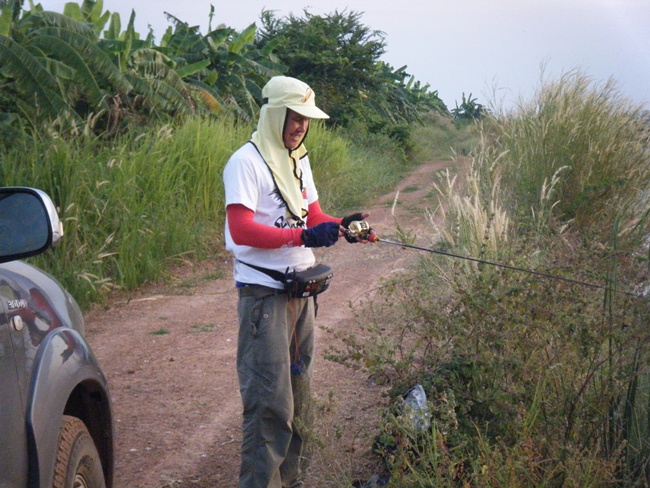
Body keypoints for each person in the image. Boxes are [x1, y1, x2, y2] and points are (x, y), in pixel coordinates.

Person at [223, 75, 371, 488]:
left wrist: (342, 225)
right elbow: (241, 231)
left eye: (306, 118)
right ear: (274, 114)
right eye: (294, 116)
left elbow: (314, 216)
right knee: (270, 406)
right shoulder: (246, 163)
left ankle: (294, 482)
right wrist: (301, 236)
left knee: (301, 402)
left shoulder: (298, 160)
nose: (301, 125)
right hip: (264, 297)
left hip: (301, 291)